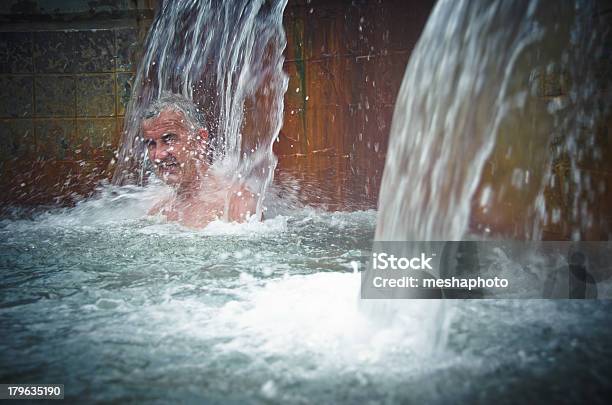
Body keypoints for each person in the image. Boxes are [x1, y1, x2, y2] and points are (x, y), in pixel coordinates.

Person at [141, 93, 258, 227]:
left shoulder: (236, 202)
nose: (158, 155)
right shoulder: (159, 210)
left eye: (169, 139)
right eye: (151, 144)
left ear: (200, 140)